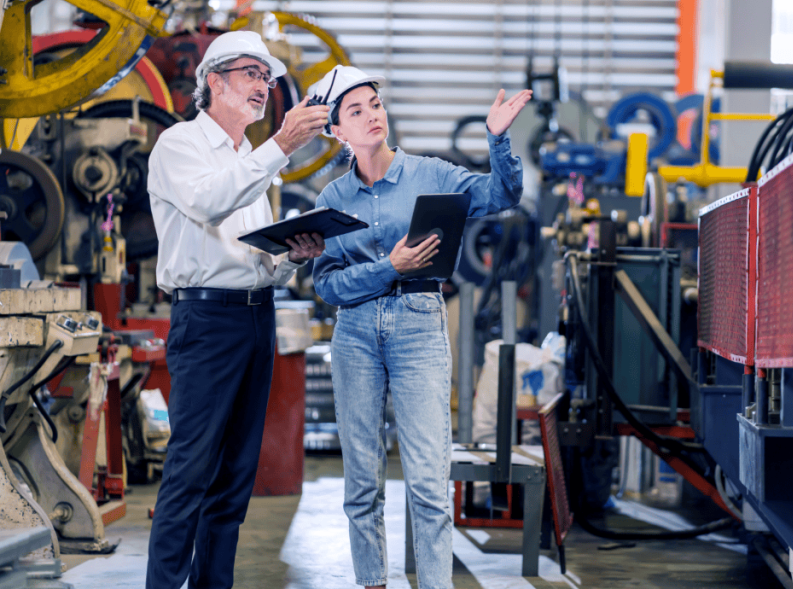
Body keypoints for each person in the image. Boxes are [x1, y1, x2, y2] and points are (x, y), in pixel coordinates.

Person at [311, 65, 530, 589]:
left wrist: (498, 139)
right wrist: (390, 266)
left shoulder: (433, 175)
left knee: (429, 482)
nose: (371, 117)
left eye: (375, 105)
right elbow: (329, 288)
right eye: (355, 111)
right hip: (355, 333)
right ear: (336, 132)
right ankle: (373, 583)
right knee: (362, 483)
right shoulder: (329, 202)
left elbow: (502, 196)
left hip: (418, 323)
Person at [146, 31, 330, 589]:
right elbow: (208, 202)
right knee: (191, 471)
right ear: (214, 81)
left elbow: (256, 256)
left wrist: (292, 259)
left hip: (255, 317)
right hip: (207, 322)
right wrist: (281, 145)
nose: (263, 86)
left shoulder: (251, 159)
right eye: (252, 73)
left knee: (234, 477)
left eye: (266, 78)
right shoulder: (179, 145)